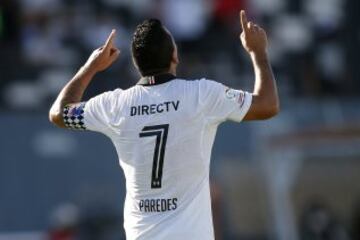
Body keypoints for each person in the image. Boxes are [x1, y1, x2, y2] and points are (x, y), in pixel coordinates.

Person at [49, 10, 279, 240]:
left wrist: (91, 66)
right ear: (175, 56)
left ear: (136, 64)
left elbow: (59, 113)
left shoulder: (114, 104)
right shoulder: (201, 94)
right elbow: (268, 105)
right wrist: (258, 52)